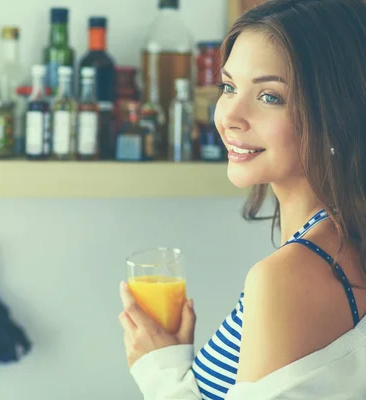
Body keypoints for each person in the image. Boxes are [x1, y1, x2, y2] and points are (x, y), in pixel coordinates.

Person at [118, 0, 366, 399]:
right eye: (229, 87)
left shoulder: (293, 274)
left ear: (338, 113)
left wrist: (161, 373)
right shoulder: (340, 245)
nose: (230, 114)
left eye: (270, 96)